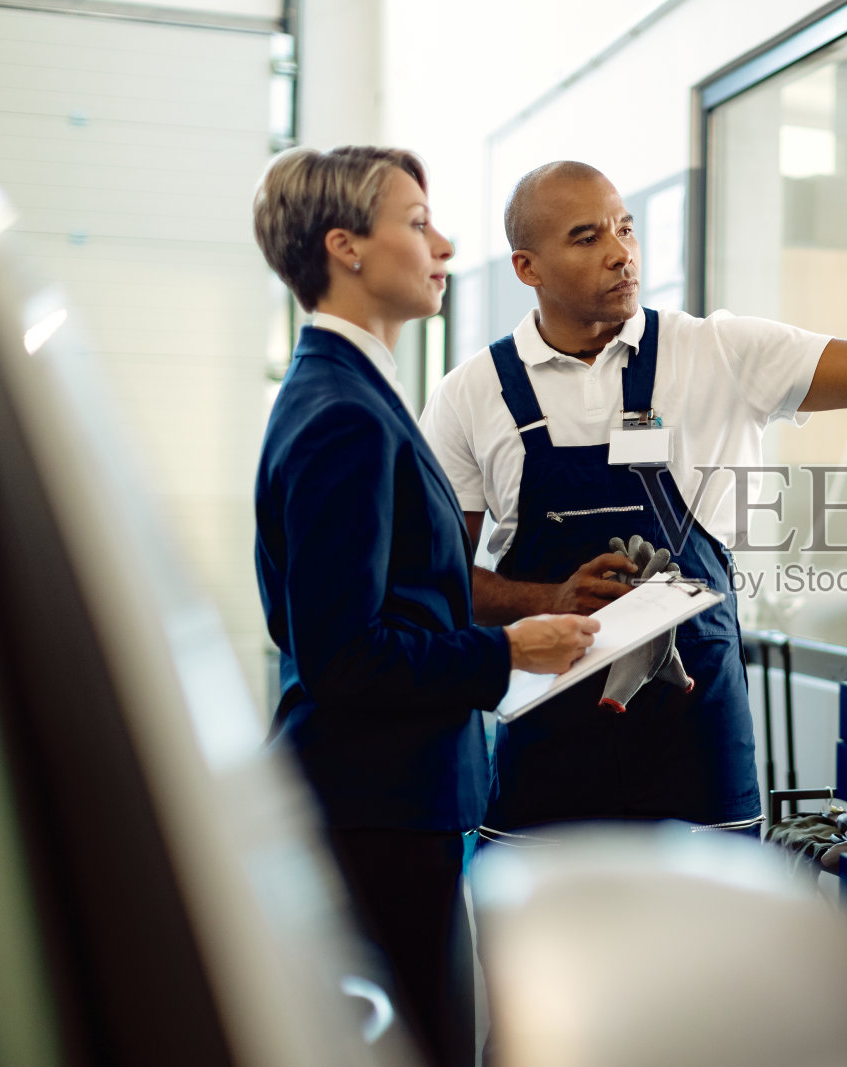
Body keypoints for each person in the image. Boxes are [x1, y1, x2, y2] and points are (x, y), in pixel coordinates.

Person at [419, 160, 847, 834]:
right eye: (587, 238)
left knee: (721, 940)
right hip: (547, 758)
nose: (620, 253)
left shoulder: (718, 353)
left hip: (696, 745)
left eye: (626, 229)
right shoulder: (471, 394)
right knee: (542, 941)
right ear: (529, 268)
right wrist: (545, 600)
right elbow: (435, 578)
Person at [251, 146, 599, 1067]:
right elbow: (345, 655)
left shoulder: (354, 393)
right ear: (346, 248)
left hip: (391, 800)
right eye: (416, 221)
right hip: (373, 809)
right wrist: (506, 648)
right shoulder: (344, 415)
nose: (443, 242)